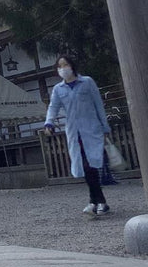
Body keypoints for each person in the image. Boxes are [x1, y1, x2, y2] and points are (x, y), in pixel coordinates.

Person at [44, 54, 112, 216]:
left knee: (92, 165)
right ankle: (99, 201)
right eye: (59, 66)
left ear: (72, 66)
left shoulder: (87, 82)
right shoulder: (58, 89)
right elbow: (53, 107)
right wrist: (49, 123)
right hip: (74, 132)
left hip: (92, 129)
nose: (63, 69)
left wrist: (105, 127)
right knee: (85, 166)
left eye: (65, 65)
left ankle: (94, 201)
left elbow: (98, 105)